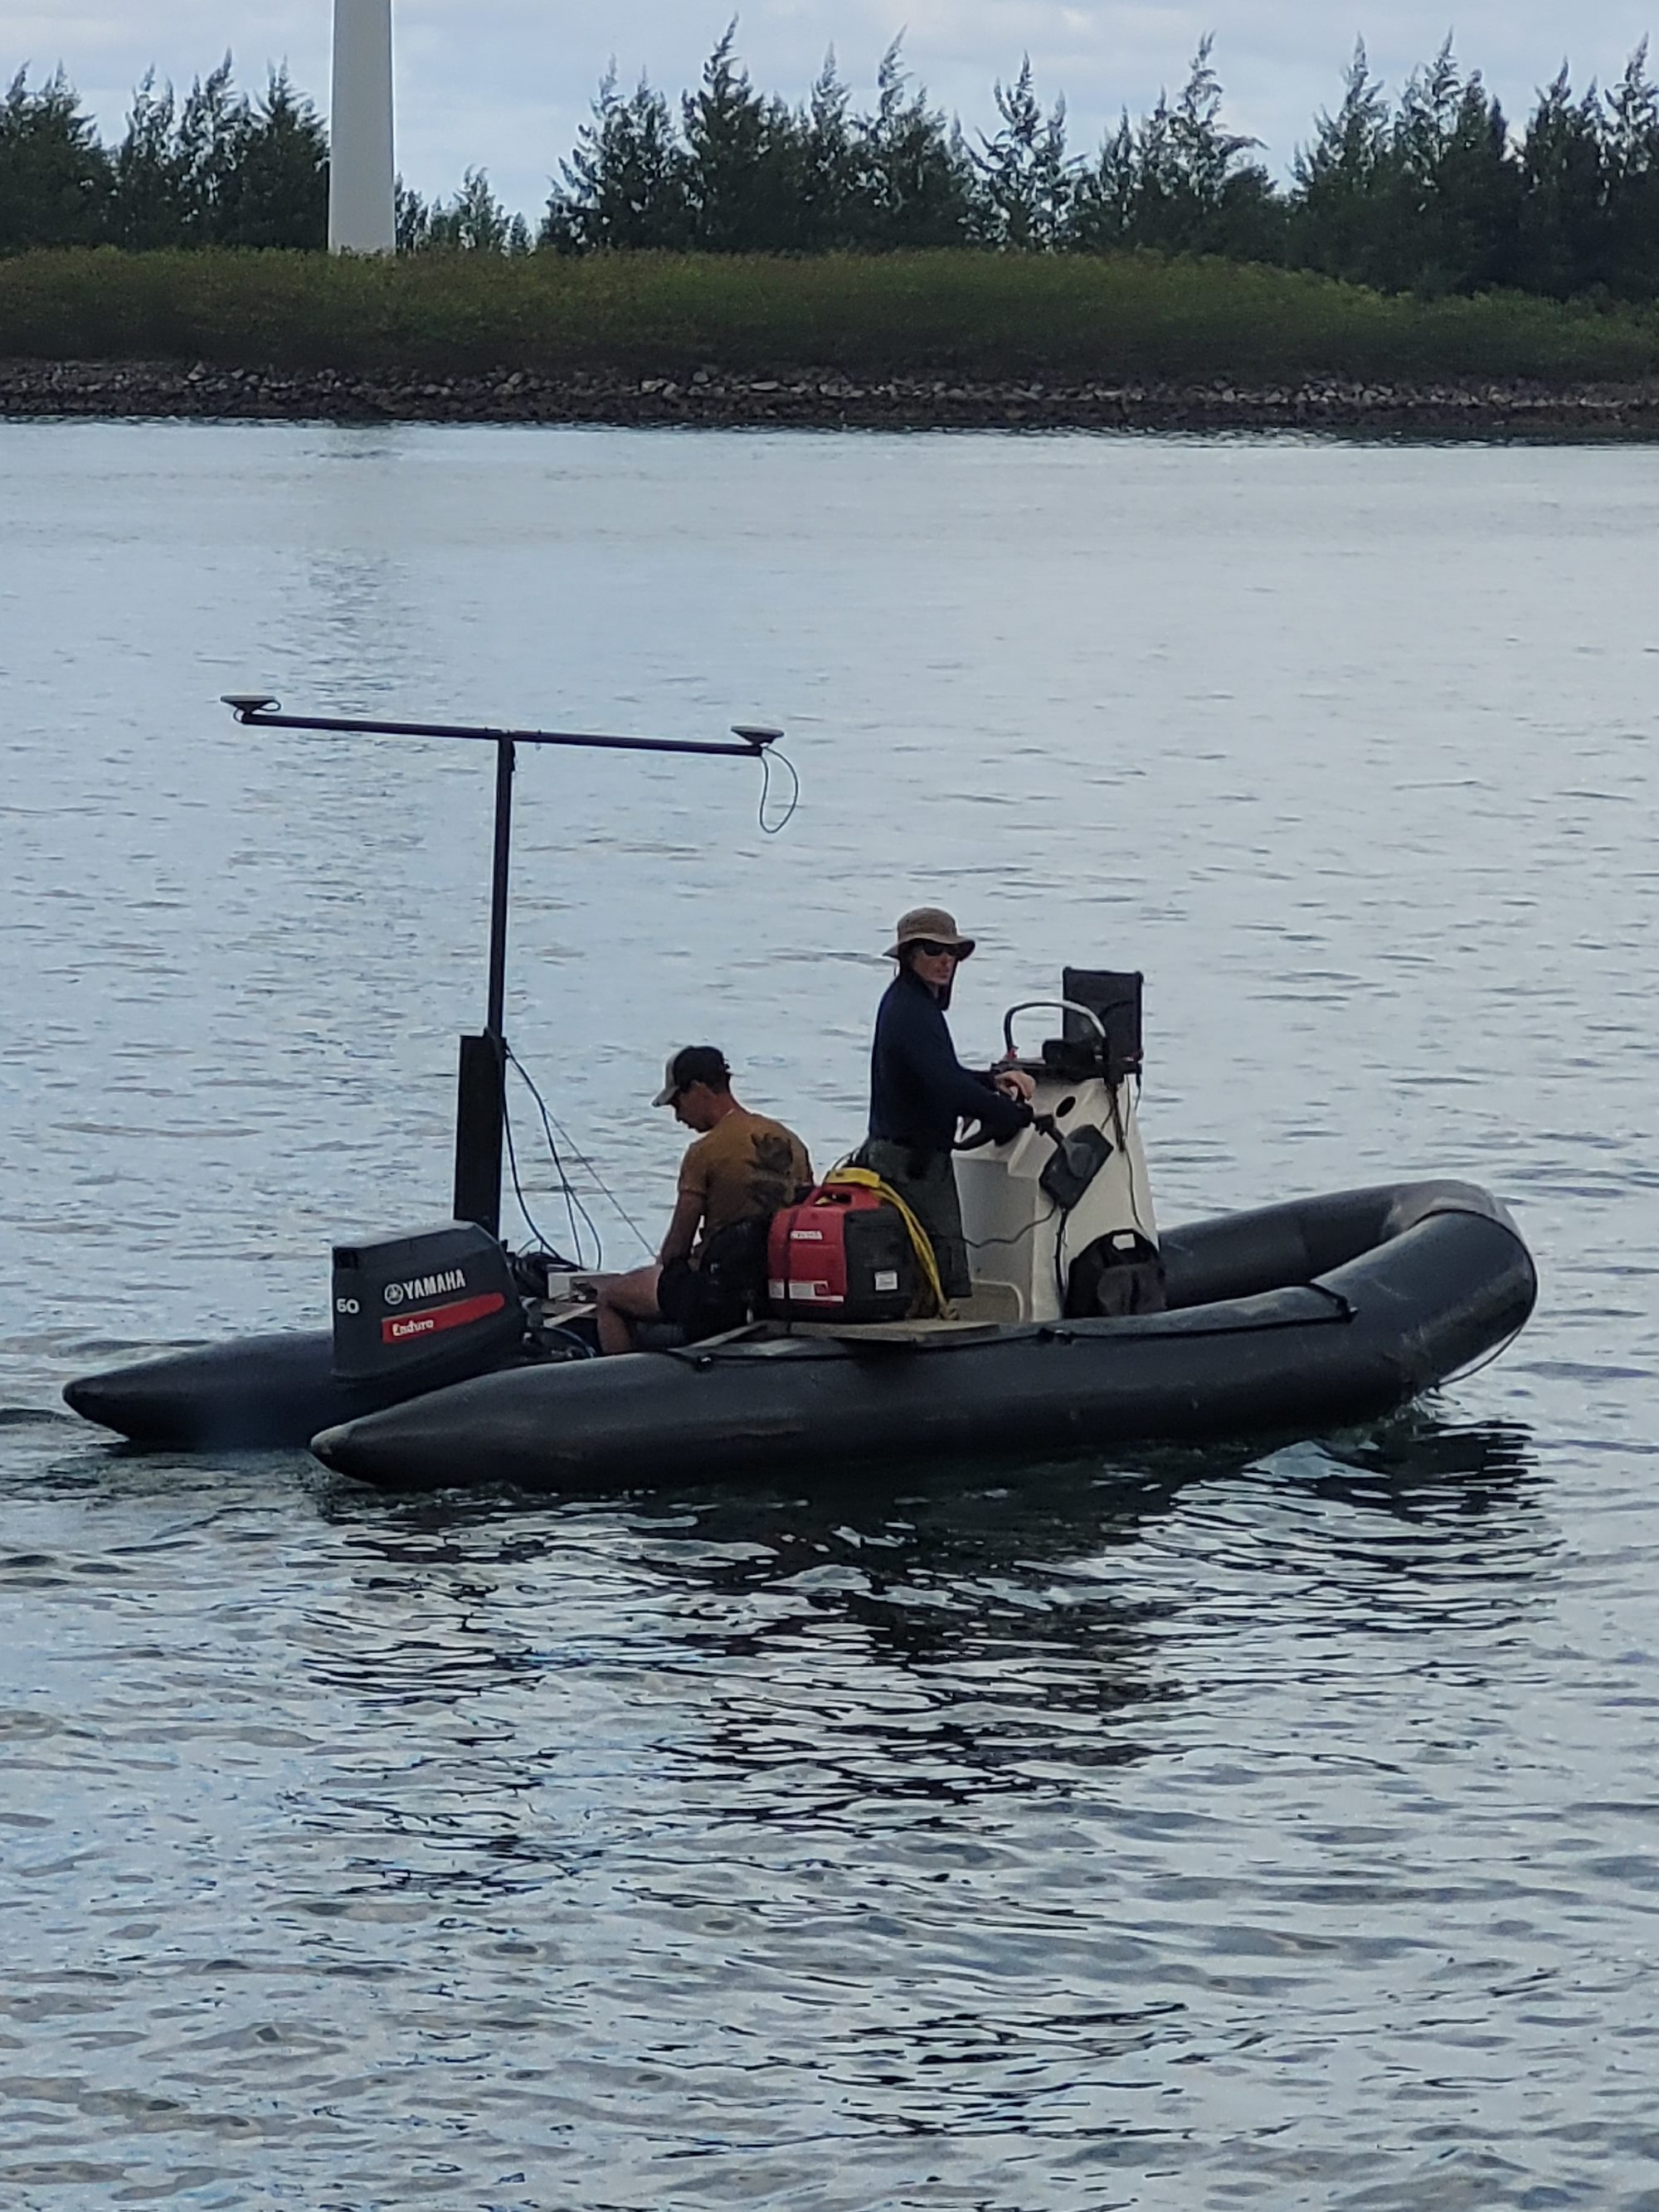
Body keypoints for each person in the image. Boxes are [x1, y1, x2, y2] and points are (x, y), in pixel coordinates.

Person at [586, 1045, 812, 1354]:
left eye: (677, 1102)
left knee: (610, 1298)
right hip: (773, 1288)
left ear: (698, 1089)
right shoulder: (793, 1142)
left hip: (717, 1294)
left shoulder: (704, 1152)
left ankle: (624, 1389)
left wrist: (657, 1274)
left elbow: (677, 1245)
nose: (678, 1116)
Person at [862, 906, 1034, 1304]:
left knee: (919, 1262)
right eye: (932, 950)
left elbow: (937, 1074)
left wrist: (991, 1081)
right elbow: (946, 1088)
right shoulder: (912, 1011)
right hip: (912, 1165)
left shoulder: (906, 1004)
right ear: (909, 956)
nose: (945, 961)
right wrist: (1010, 1113)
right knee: (939, 1266)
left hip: (900, 1156)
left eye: (952, 953)